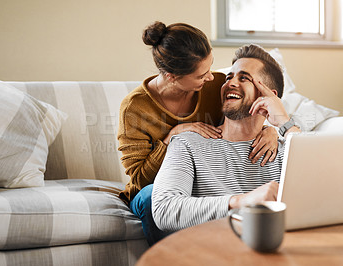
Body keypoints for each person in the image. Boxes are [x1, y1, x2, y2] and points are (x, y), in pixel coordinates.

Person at [117, 22, 280, 245]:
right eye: (202, 75)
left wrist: (271, 129)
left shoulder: (213, 87)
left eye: (211, 67)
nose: (214, 78)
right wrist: (171, 136)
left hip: (197, 176)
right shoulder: (135, 108)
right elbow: (139, 177)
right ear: (172, 76)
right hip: (151, 185)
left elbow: (248, 109)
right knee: (151, 197)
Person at [152, 44, 301, 232]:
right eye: (229, 77)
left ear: (269, 96)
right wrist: (241, 201)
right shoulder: (188, 143)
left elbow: (325, 189)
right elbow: (163, 210)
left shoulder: (286, 150)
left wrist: (284, 123)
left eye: (244, 78)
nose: (229, 83)